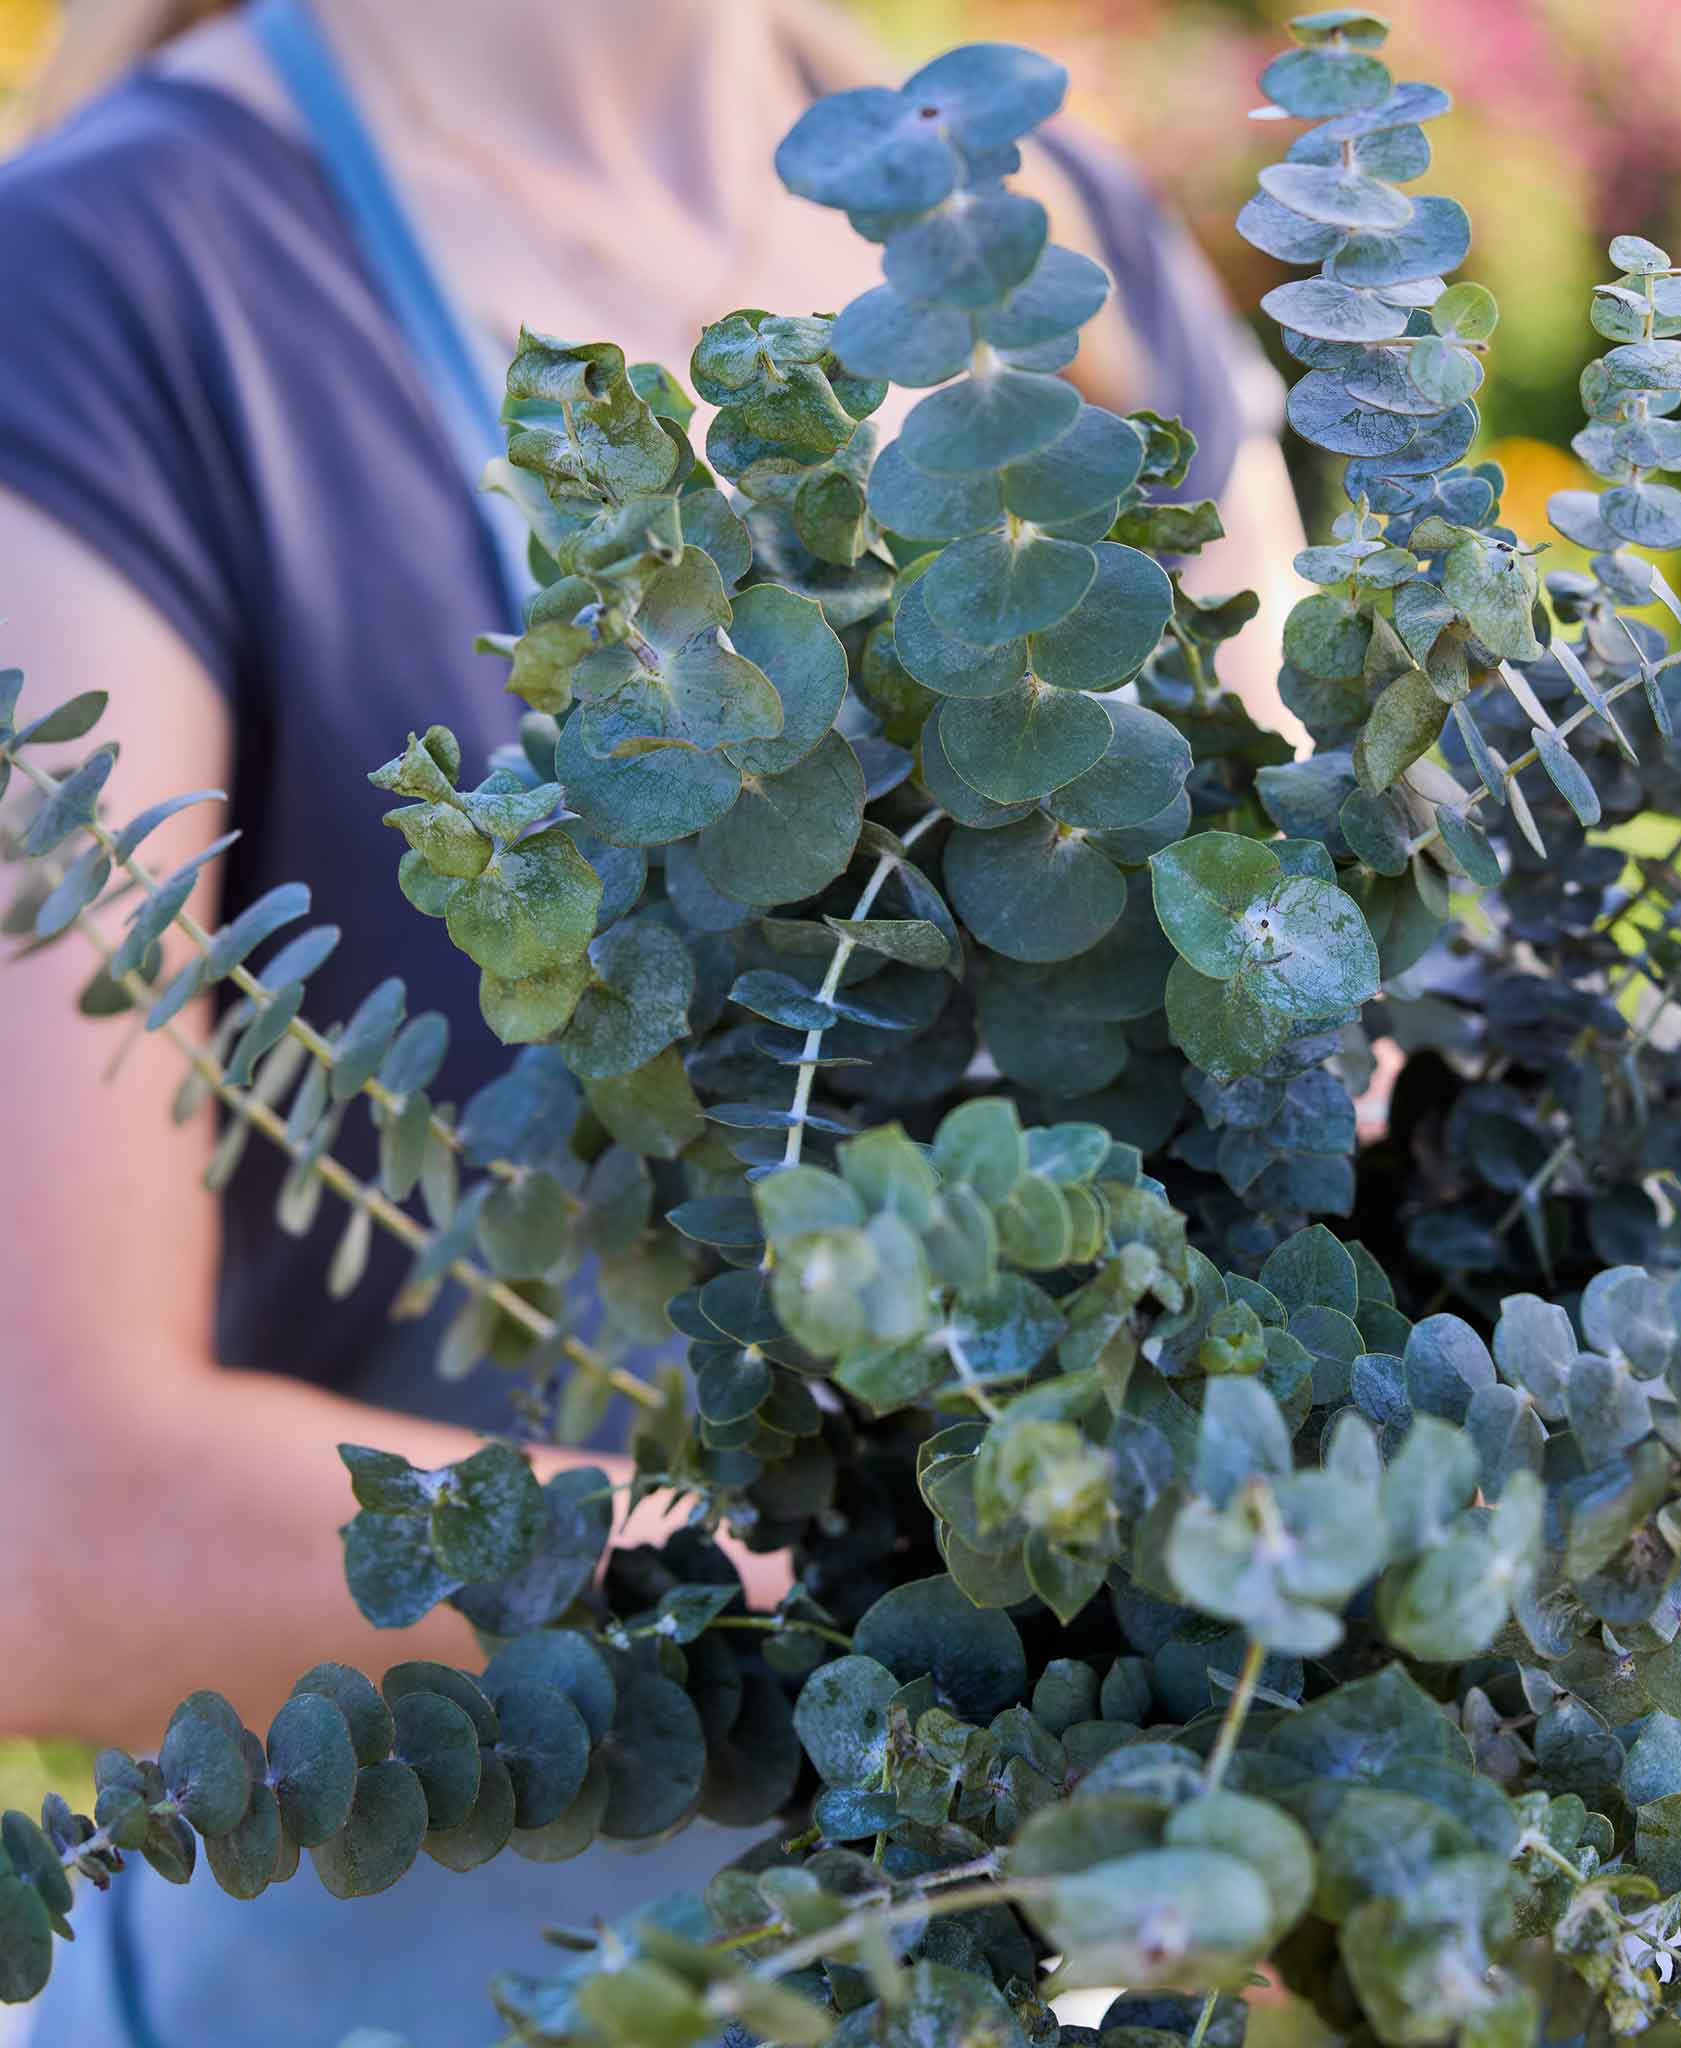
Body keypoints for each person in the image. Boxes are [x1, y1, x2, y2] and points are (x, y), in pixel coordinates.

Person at [0, 0, 1304, 2037]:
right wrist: (913, 1630)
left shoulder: (1060, 251)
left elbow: (1321, 1059)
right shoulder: (104, 296)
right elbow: (44, 1523)